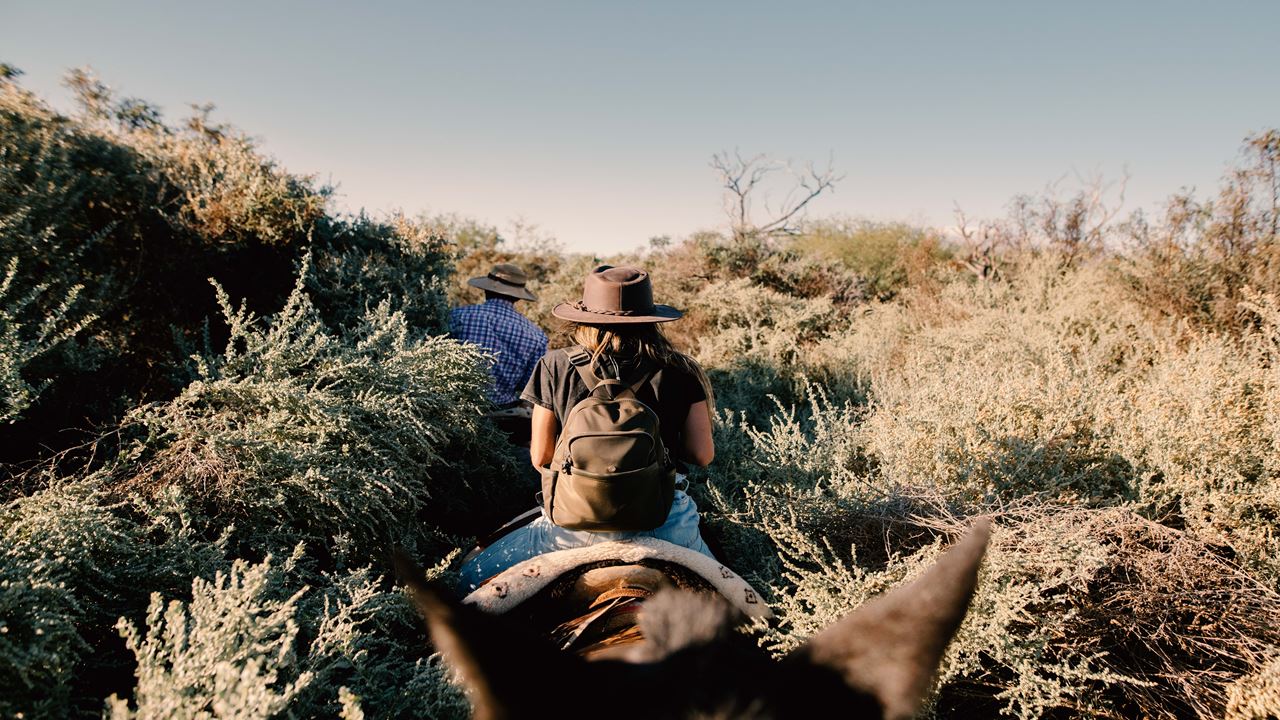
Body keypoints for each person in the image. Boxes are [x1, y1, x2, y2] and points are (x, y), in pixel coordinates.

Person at [459, 264, 716, 591]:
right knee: (742, 609)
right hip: (666, 520)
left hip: (574, 526)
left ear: (584, 315)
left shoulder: (555, 364)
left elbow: (541, 457)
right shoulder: (681, 370)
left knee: (467, 580)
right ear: (650, 318)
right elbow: (703, 454)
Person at [448, 263, 548, 409]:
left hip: (456, 408)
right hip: (504, 414)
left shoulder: (458, 316)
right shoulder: (537, 335)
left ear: (486, 290)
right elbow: (529, 385)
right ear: (517, 298)